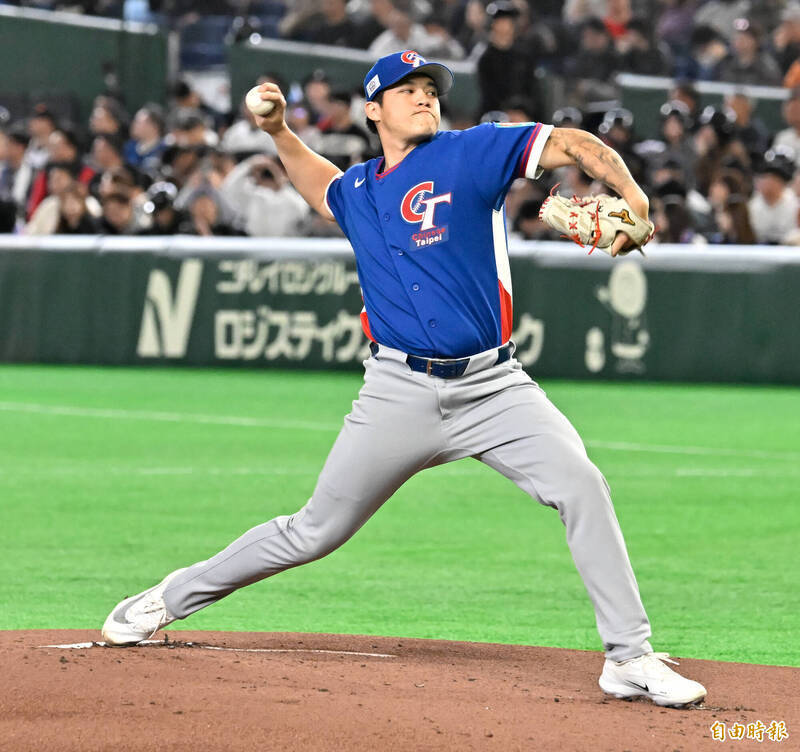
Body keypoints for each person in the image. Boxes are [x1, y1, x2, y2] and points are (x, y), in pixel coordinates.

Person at [102, 49, 707, 709]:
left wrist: (633, 194)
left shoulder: (471, 153)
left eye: (429, 88)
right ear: (372, 109)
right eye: (405, 88)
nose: (423, 96)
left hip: (495, 389)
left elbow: (573, 143)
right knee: (315, 530)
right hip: (398, 390)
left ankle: (628, 656)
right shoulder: (361, 191)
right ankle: (168, 597)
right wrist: (278, 132)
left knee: (582, 486)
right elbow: (319, 183)